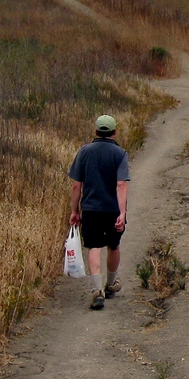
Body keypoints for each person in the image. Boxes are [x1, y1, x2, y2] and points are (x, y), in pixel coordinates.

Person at [68, 114, 130, 310]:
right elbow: (121, 184)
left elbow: (76, 186)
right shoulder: (120, 154)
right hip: (112, 209)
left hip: (91, 209)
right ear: (114, 132)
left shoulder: (84, 152)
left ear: (95, 131)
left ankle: (97, 291)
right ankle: (111, 284)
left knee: (94, 246)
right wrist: (122, 213)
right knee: (113, 245)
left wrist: (74, 210)